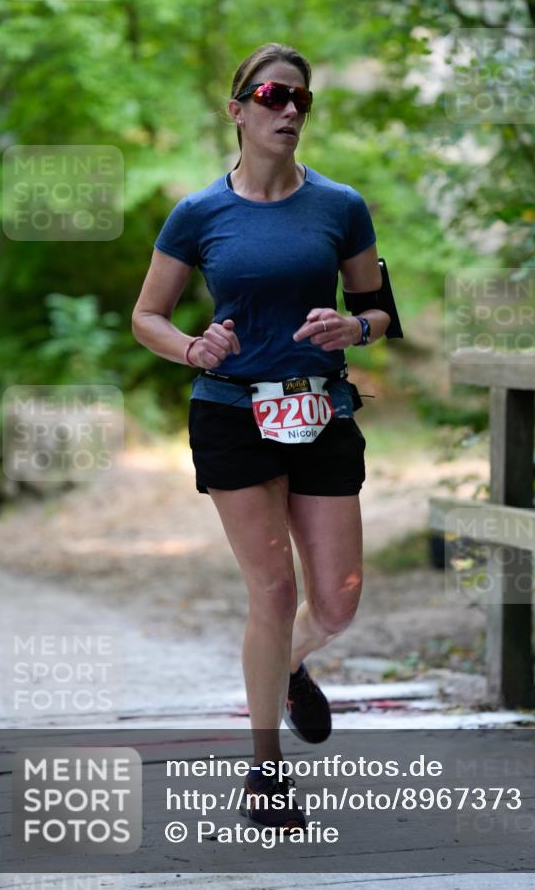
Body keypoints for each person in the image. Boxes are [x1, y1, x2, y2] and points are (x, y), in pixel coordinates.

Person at [132, 43, 395, 830]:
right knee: (272, 592)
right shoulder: (198, 213)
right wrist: (190, 346)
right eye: (272, 95)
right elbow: (148, 316)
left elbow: (383, 312)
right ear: (237, 108)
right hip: (231, 412)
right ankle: (265, 773)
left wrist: (357, 325)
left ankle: (283, 668)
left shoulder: (341, 205)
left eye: (301, 100)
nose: (288, 110)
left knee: (338, 603)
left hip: (319, 412)